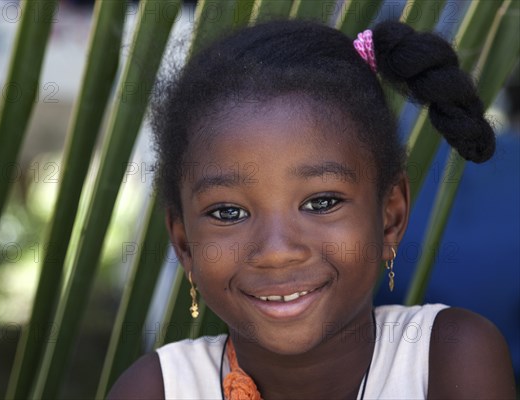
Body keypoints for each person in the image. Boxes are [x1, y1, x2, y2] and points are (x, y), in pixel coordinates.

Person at [109, 20, 516, 399]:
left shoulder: (448, 359)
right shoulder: (158, 389)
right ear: (184, 244)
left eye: (321, 203)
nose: (277, 250)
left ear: (389, 216)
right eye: (228, 213)